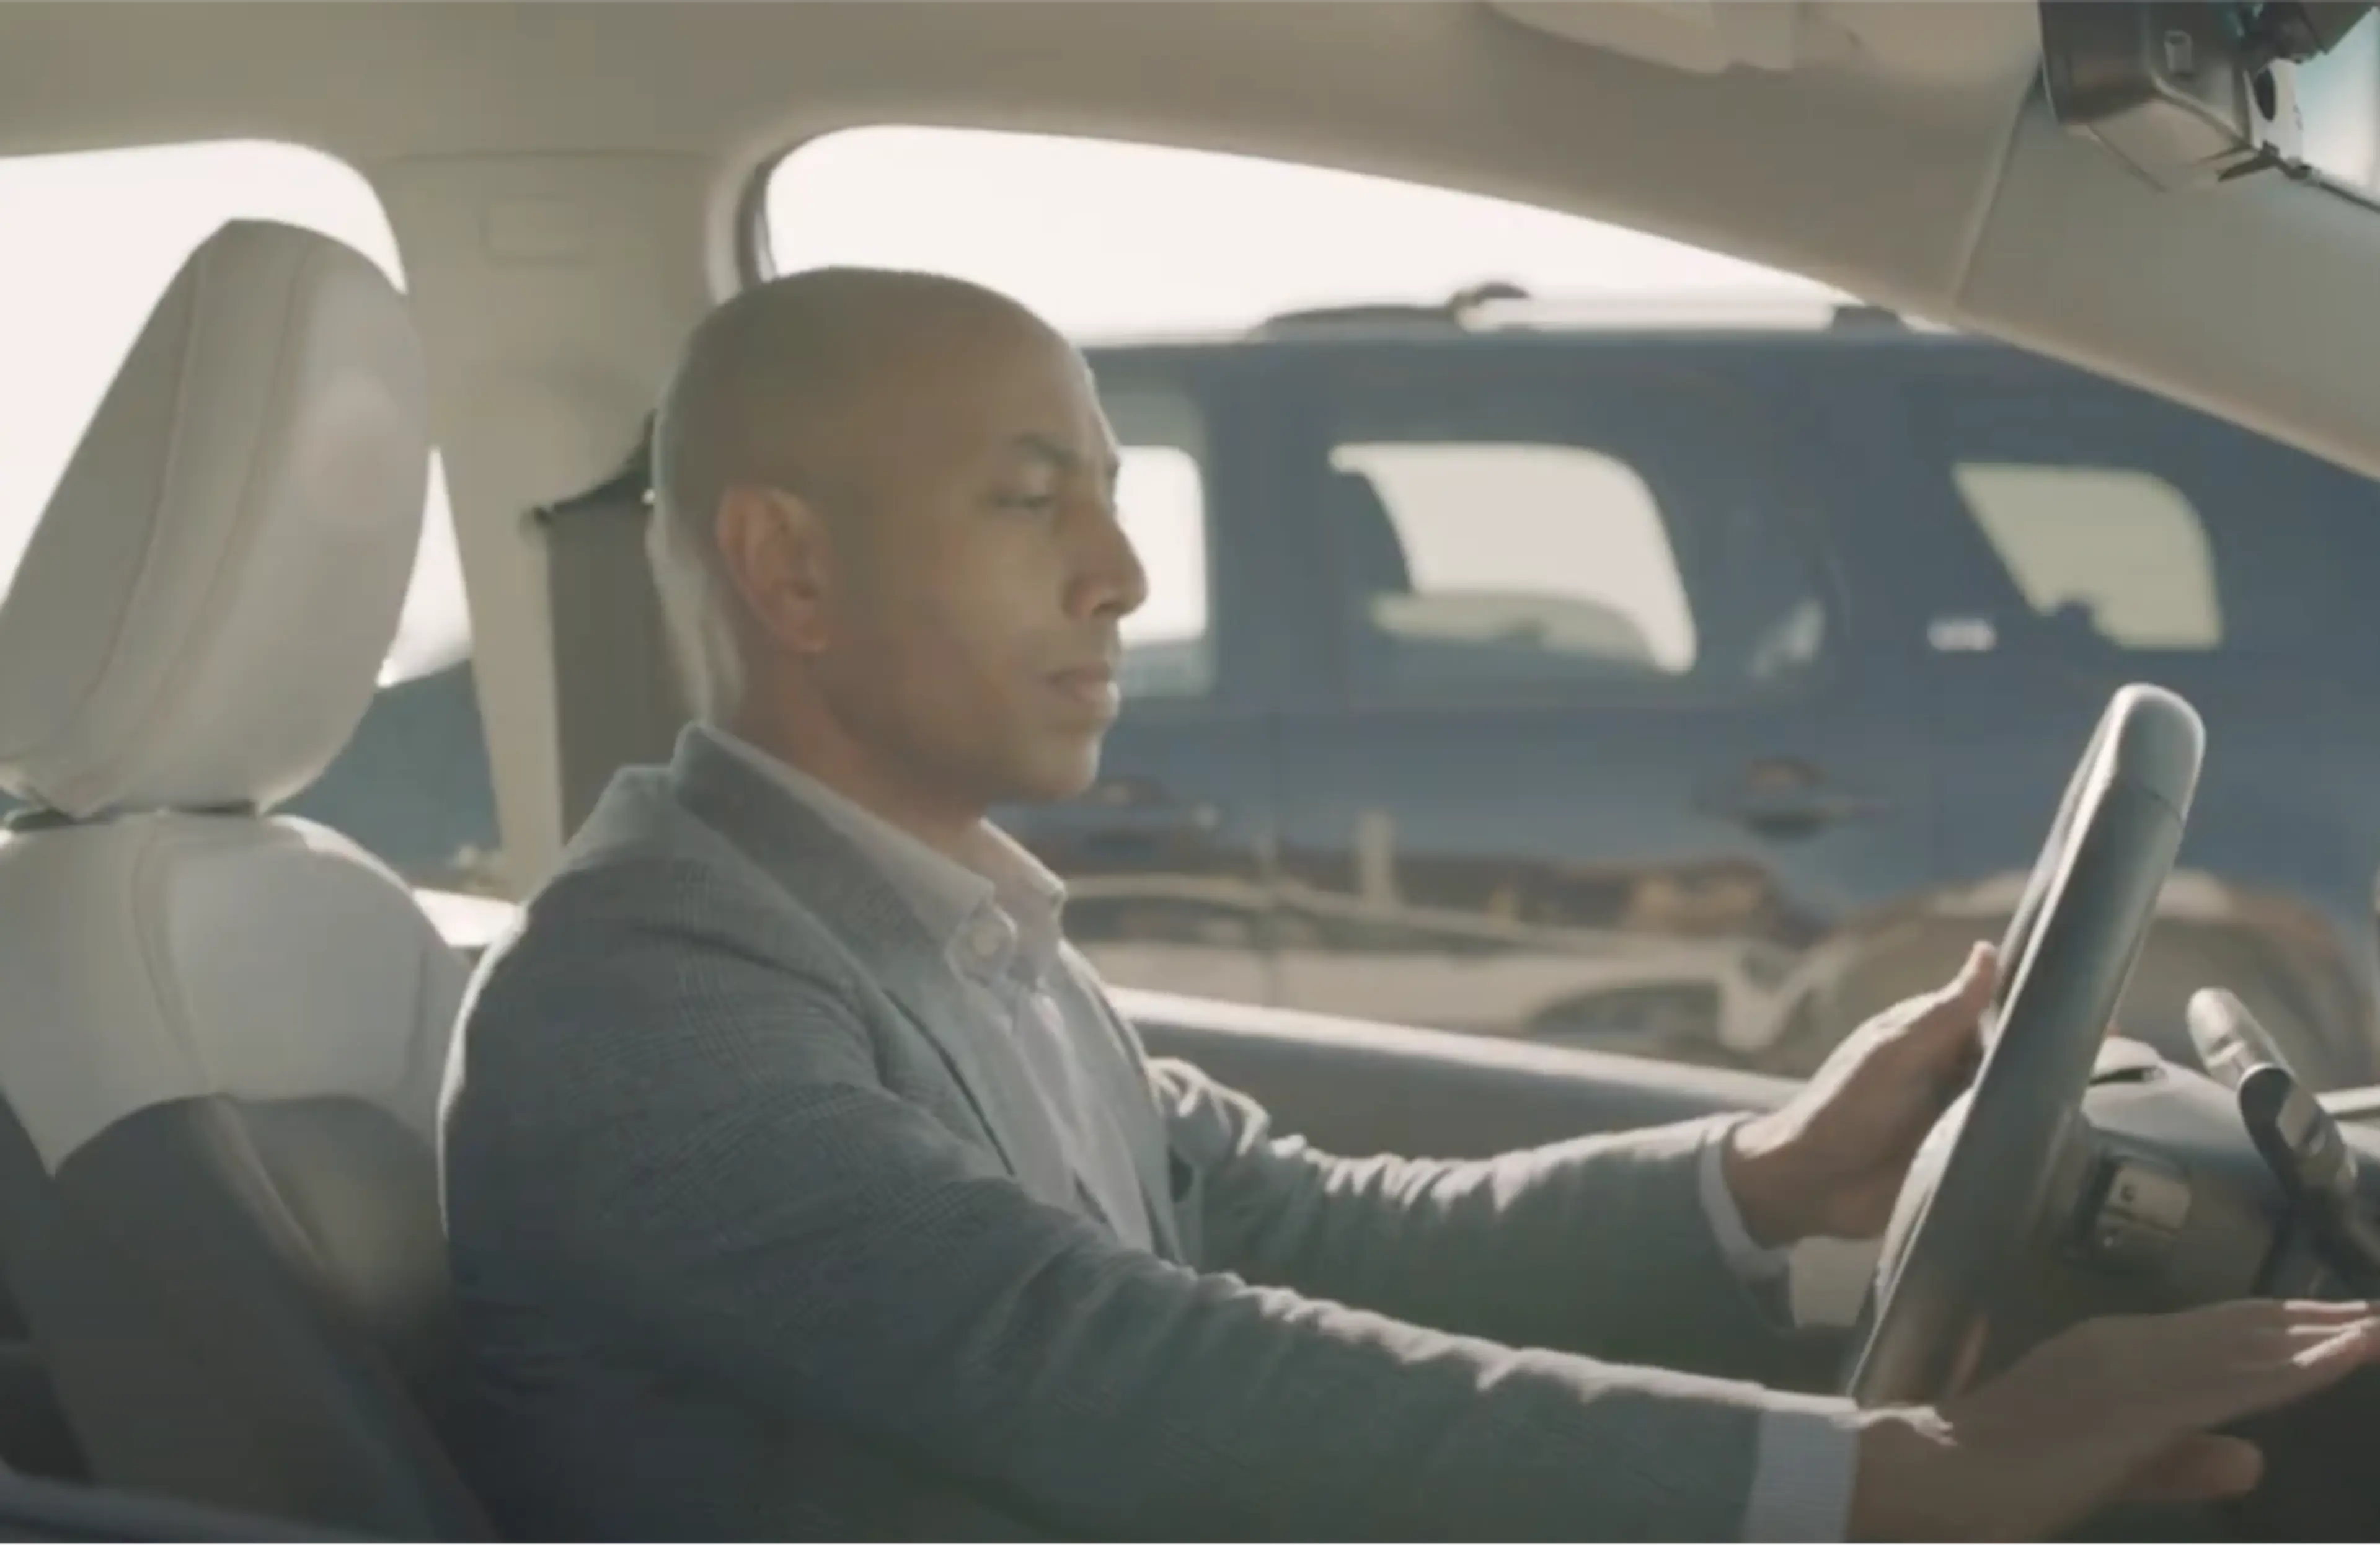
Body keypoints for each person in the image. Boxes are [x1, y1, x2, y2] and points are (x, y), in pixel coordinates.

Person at [438, 266, 2380, 1545]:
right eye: (1033, 499)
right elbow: (1094, 1359)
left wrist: (1773, 1171)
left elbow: (1290, 1226)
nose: (1121, 572)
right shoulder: (646, 991)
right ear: (786, 566)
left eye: (1109, 491)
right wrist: (1892, 1477)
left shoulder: (949, 930)